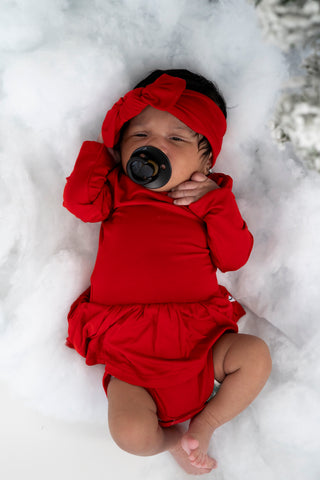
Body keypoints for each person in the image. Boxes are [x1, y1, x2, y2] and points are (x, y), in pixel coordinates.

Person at [63, 69, 272, 475]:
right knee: (130, 435)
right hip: (130, 355)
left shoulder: (207, 197)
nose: (154, 146)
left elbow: (234, 257)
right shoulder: (119, 191)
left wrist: (216, 203)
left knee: (256, 356)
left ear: (206, 160)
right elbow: (80, 203)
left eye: (175, 138)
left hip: (201, 343)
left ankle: (205, 425)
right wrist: (103, 152)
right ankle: (175, 440)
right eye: (139, 136)